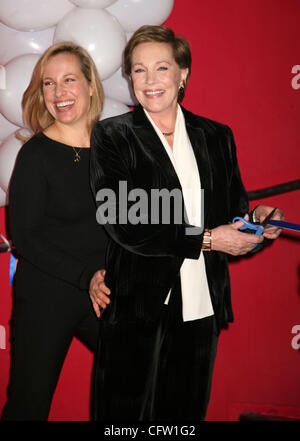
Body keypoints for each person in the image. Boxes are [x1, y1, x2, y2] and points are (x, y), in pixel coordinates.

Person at [90, 25, 283, 422]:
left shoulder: (216, 136)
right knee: (121, 423)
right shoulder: (113, 136)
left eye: (162, 67)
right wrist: (209, 240)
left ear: (184, 74)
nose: (150, 80)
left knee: (182, 421)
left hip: (201, 304)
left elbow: (235, 218)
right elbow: (125, 222)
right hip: (137, 306)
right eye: (139, 70)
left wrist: (259, 224)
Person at [1, 42, 111, 421]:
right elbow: (27, 239)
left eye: (69, 80)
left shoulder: (114, 149)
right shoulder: (35, 155)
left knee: (136, 389)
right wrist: (87, 277)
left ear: (91, 85)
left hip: (104, 294)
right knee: (28, 407)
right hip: (47, 296)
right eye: (49, 83)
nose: (59, 93)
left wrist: (242, 215)